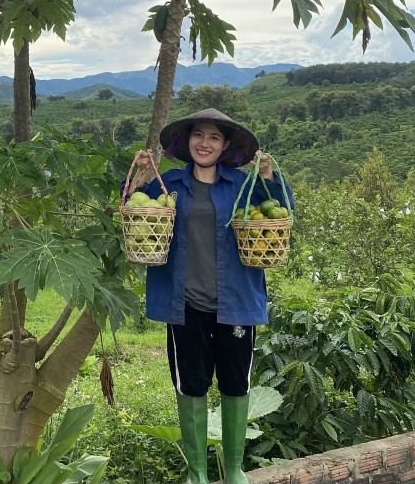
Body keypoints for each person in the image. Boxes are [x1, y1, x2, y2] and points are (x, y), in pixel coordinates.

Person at [124, 108, 294, 484]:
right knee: (191, 384)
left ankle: (234, 468)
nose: (205, 143)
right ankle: (197, 472)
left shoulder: (239, 185)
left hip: (235, 303)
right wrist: (139, 177)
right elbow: (131, 211)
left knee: (236, 383)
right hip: (183, 304)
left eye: (214, 137)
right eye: (198, 135)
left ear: (225, 145)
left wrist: (269, 177)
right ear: (187, 142)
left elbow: (282, 212)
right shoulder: (169, 184)